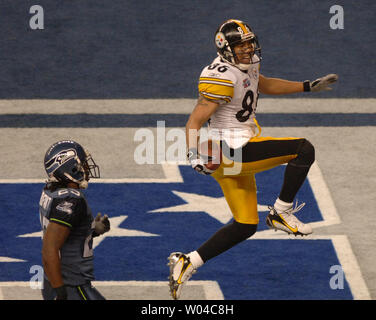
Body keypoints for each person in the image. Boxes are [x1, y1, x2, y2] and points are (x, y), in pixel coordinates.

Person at [168, 19, 338, 300]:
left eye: (249, 42)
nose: (248, 49)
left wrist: (306, 86)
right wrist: (192, 154)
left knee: (245, 225)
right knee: (303, 150)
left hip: (235, 152)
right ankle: (281, 212)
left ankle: (188, 261)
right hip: (231, 152)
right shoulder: (219, 75)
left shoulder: (247, 64)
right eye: (240, 45)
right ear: (225, 49)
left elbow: (263, 84)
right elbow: (194, 120)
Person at [39, 140, 110, 300]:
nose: (86, 168)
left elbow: (64, 233)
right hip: (71, 284)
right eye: (82, 164)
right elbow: (49, 249)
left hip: (53, 279)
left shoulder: (51, 190)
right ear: (70, 169)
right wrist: (61, 292)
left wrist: (92, 230)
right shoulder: (72, 201)